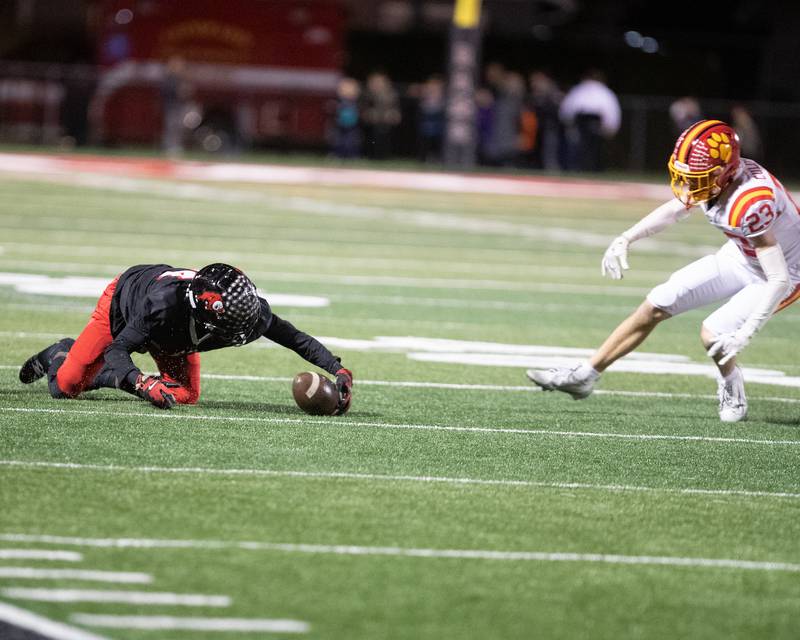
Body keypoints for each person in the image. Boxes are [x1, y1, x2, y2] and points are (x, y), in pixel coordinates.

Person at [527, 119, 800, 423]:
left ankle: (731, 384)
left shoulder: (749, 202)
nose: (689, 185)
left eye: (697, 178)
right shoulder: (720, 179)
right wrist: (627, 237)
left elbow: (778, 278)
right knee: (657, 303)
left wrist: (747, 332)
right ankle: (586, 375)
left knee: (714, 334)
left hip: (786, 271)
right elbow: (674, 210)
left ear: (724, 172)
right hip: (741, 256)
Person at [19, 263, 353, 413]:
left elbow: (293, 337)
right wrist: (141, 382)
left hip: (175, 335)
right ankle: (60, 352)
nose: (242, 331)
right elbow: (118, 348)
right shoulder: (161, 307)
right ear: (204, 315)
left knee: (184, 395)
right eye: (232, 324)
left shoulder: (248, 312)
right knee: (66, 387)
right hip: (123, 305)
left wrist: (336, 369)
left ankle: (109, 378)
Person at [559, 69, 621, 171]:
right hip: (594, 121)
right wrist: (610, 129)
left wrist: (568, 124)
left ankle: (580, 167)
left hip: (582, 121)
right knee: (595, 148)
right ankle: (594, 168)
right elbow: (611, 112)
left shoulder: (579, 89)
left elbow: (567, 108)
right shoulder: (604, 91)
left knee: (581, 147)